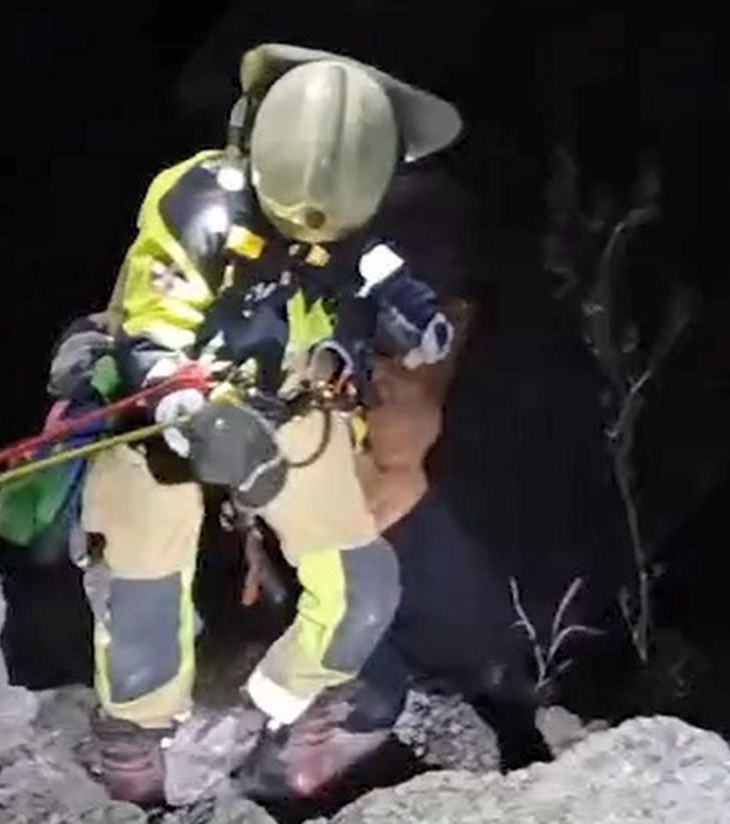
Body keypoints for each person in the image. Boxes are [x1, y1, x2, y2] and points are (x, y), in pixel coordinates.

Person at [73, 43, 463, 804]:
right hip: (175, 407)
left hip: (294, 401)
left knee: (360, 584)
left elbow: (381, 275)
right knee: (143, 577)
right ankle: (133, 737)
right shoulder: (199, 201)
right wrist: (188, 408)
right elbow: (151, 332)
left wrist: (418, 321)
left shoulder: (354, 227)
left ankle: (283, 719)